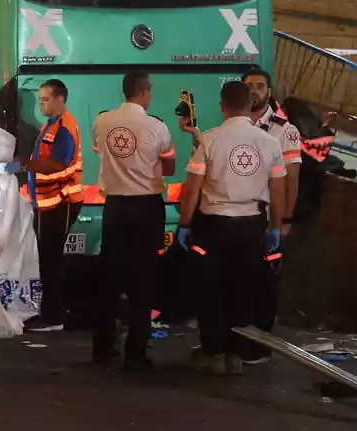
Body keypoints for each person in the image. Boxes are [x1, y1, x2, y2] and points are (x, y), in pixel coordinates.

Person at [176, 81, 284, 376]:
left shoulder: (210, 141)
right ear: (250, 105)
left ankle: (214, 352)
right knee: (243, 289)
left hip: (214, 227)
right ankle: (237, 353)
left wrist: (184, 224)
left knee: (211, 289)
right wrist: (275, 227)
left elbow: (192, 190)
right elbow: (278, 192)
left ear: (222, 106)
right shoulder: (270, 143)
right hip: (252, 227)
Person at [91, 71, 175, 369]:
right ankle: (136, 351)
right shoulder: (157, 127)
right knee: (142, 280)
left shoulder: (102, 121)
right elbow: (169, 167)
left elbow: (102, 153)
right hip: (147, 207)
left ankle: (102, 346)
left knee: (110, 277)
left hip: (115, 207)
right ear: (144, 92)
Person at [242, 67, 301, 365]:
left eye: (260, 86)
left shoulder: (284, 130)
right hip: (241, 219)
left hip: (269, 219)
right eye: (249, 86)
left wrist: (284, 221)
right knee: (241, 282)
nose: (254, 90)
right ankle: (240, 340)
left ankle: (260, 346)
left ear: (269, 91)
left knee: (265, 285)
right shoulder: (235, 124)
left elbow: (292, 179)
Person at [16, 79, 83, 333]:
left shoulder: (64, 127)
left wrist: (24, 164)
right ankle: (51, 312)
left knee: (52, 261)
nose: (41, 104)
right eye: (40, 99)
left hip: (60, 202)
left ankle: (54, 317)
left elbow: (58, 164)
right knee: (47, 259)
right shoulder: (51, 125)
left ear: (60, 99)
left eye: (45, 99)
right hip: (48, 204)